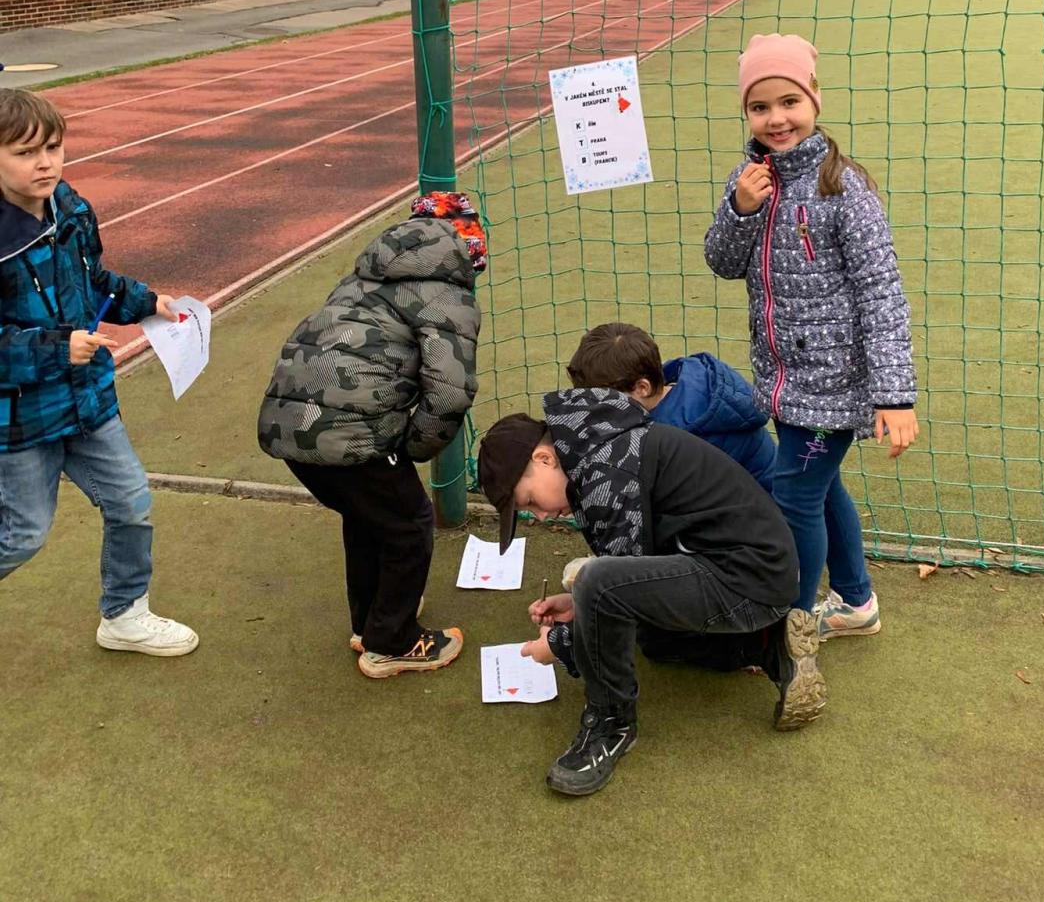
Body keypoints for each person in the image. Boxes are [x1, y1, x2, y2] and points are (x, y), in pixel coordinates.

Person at [476, 396, 824, 798]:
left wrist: (559, 643)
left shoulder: (604, 473)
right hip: (751, 569)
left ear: (544, 459)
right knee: (649, 637)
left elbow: (612, 581)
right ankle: (764, 644)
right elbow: (631, 578)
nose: (538, 516)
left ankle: (611, 723)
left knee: (596, 581)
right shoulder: (597, 449)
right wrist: (578, 605)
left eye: (530, 501)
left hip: (749, 578)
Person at [703, 34, 918, 640]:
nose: (776, 118)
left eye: (789, 101)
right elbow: (722, 261)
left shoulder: (843, 188)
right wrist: (741, 208)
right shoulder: (750, 179)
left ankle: (788, 621)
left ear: (814, 99)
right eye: (760, 106)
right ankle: (855, 600)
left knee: (795, 496)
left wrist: (894, 396)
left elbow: (882, 292)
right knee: (820, 491)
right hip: (783, 377)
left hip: (831, 386)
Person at [0, 88, 198, 655]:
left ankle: (125, 615)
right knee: (23, 535)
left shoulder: (70, 208)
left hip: (88, 400)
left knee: (131, 502)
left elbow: (94, 282)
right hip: (21, 420)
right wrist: (56, 348)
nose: (44, 163)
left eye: (53, 148)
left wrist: (149, 301)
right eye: (24, 153)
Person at [257, 190, 485, 678]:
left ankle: (371, 621)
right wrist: (412, 447)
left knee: (366, 518)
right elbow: (450, 394)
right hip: (350, 431)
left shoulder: (360, 277)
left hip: (286, 425)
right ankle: (392, 641)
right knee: (409, 524)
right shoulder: (448, 296)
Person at [565, 321, 775, 492]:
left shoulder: (680, 434)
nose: (599, 411)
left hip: (760, 518)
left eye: (606, 401)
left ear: (642, 388)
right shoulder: (680, 389)